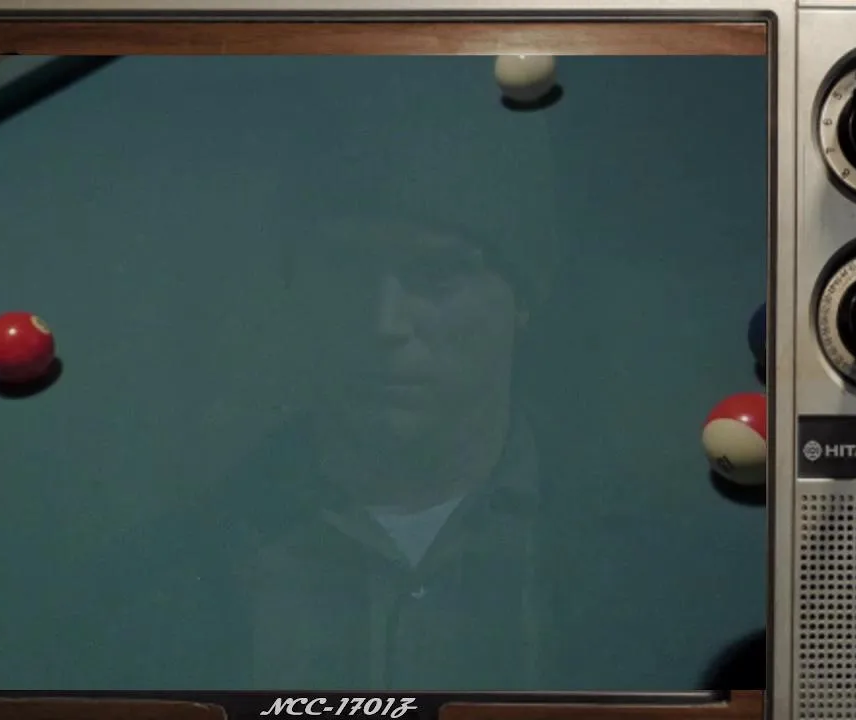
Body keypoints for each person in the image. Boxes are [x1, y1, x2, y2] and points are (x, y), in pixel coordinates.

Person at [121, 57, 565, 690]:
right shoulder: (160, 583)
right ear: (296, 283)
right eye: (346, 268)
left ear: (524, 298)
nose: (385, 322)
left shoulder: (644, 570)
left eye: (437, 275)